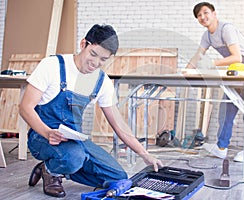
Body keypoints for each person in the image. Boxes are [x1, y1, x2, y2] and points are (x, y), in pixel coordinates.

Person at [19, 24, 163, 198]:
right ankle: (52, 171)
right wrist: (47, 132)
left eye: (103, 59)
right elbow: (25, 108)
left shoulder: (101, 81)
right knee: (73, 158)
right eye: (93, 54)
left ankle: (49, 167)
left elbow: (119, 125)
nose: (95, 63)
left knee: (117, 177)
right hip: (41, 135)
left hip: (73, 139)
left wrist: (145, 154)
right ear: (83, 44)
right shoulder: (53, 66)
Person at [187, 2, 244, 162]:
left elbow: (237, 57)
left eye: (205, 13)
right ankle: (221, 147)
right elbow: (198, 56)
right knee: (227, 108)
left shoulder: (226, 29)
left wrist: (211, 64)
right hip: (234, 70)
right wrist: (186, 70)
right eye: (199, 16)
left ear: (214, 14)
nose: (202, 17)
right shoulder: (207, 36)